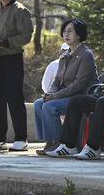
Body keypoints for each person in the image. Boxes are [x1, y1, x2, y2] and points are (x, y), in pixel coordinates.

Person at [47, 22, 104, 159]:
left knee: (103, 102)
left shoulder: (86, 54)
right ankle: (69, 145)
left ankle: (93, 148)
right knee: (76, 102)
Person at [34, 19, 98, 155]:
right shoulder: (64, 56)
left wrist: (56, 96)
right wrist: (49, 94)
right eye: (64, 32)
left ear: (79, 34)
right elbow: (57, 81)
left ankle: (59, 142)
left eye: (70, 31)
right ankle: (49, 142)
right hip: (66, 96)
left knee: (50, 106)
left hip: (81, 97)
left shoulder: (86, 54)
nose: (66, 34)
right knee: (39, 103)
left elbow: (79, 84)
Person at [0, 0, 34, 151]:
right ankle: (0, 138)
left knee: (14, 99)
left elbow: (26, 35)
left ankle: (21, 139)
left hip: (11, 58)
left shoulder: (20, 11)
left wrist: (7, 43)